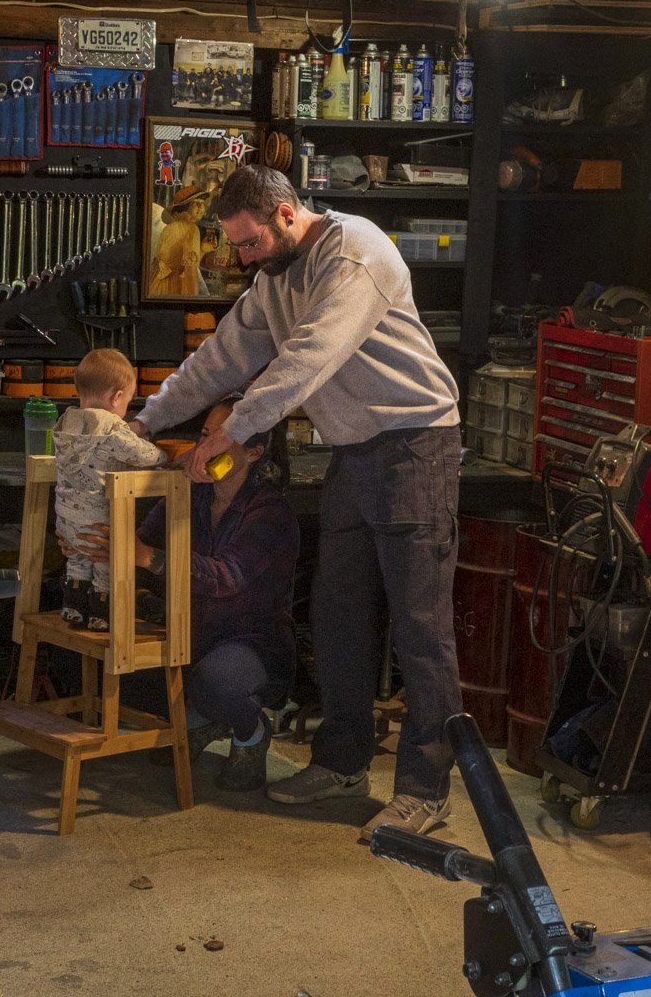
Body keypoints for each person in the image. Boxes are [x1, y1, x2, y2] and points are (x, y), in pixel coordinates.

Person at [126, 164, 463, 841]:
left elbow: (309, 358)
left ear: (285, 214)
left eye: (248, 243)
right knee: (338, 616)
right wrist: (145, 421)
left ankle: (426, 791)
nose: (242, 258)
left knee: (420, 629)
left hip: (415, 448)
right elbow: (218, 359)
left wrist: (232, 429)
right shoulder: (272, 282)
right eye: (235, 248)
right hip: (353, 451)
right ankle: (341, 765)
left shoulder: (355, 253)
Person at [67, 397, 299, 791]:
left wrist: (147, 558)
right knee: (116, 667)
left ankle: (250, 729)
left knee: (218, 684)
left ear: (254, 452)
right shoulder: (191, 493)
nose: (204, 448)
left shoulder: (270, 514)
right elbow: (139, 543)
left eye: (222, 440)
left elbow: (225, 577)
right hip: (193, 632)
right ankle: (201, 716)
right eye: (205, 436)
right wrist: (89, 544)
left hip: (251, 644)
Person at [51, 349, 167, 630]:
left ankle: (73, 607)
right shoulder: (112, 426)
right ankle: (101, 615)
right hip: (98, 526)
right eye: (127, 401)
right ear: (116, 397)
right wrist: (163, 455)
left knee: (79, 563)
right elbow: (142, 455)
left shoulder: (67, 422)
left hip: (66, 525)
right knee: (106, 563)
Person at [149, 186, 210, 297]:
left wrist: (202, 250)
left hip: (158, 282)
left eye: (203, 204)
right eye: (196, 204)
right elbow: (190, 270)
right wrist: (192, 301)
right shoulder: (191, 229)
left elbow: (181, 259)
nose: (201, 208)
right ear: (185, 207)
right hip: (175, 285)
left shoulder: (171, 226)